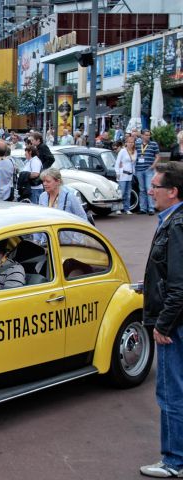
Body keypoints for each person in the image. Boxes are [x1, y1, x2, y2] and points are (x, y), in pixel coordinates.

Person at [140, 161, 183, 479]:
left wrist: (163, 325)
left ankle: (173, 461)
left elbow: (179, 284)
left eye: (156, 186)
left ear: (173, 191)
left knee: (170, 393)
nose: (150, 190)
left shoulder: (176, 225)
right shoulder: (173, 220)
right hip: (174, 315)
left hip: (175, 323)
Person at [135, 129, 161, 215]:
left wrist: (153, 166)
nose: (148, 136)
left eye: (149, 135)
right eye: (146, 135)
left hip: (149, 169)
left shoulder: (154, 144)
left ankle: (151, 208)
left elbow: (157, 156)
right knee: (142, 189)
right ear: (142, 135)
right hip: (139, 169)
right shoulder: (137, 144)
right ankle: (143, 208)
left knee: (149, 188)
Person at [114, 136, 137, 215]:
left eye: (132, 142)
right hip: (122, 174)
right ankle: (118, 208)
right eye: (129, 142)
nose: (131, 144)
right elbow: (117, 162)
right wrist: (117, 173)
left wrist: (134, 173)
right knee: (121, 192)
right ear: (126, 143)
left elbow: (134, 164)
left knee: (128, 193)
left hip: (130, 175)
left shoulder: (135, 151)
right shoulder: (123, 151)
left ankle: (126, 208)